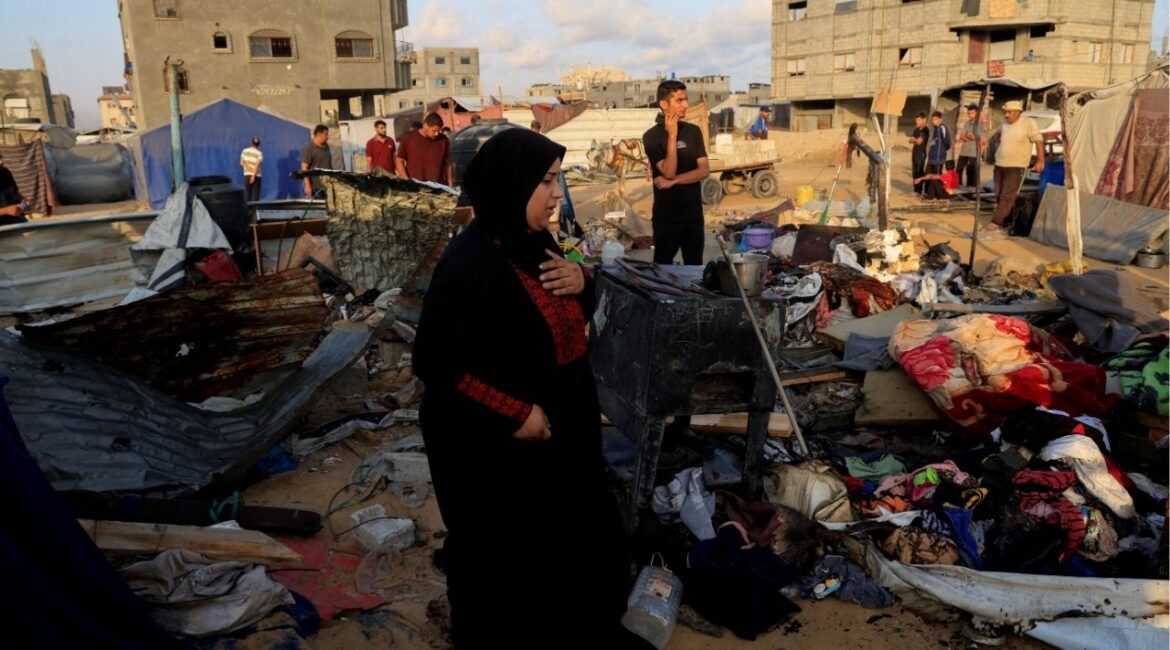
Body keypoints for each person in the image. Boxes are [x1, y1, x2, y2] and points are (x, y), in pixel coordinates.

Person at [413, 129, 639, 649]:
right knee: (507, 568)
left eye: (556, 180)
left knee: (579, 548)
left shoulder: (533, 241)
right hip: (497, 453)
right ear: (512, 186)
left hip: (562, 439)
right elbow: (436, 363)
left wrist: (585, 283)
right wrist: (514, 415)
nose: (557, 194)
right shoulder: (470, 265)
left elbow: (562, 309)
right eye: (547, 182)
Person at [642, 79, 709, 265]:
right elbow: (668, 171)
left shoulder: (693, 132)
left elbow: (704, 170)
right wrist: (672, 135)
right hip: (666, 219)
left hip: (693, 217)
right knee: (662, 269)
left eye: (686, 99)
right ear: (664, 104)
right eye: (680, 100)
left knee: (695, 270)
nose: (686, 105)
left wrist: (674, 181)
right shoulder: (651, 137)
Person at [986, 100, 1044, 233]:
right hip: (1000, 164)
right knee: (999, 194)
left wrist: (1040, 160)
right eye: (1005, 112)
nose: (1006, 115)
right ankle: (1005, 221)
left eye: (1009, 112)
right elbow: (998, 134)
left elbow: (1039, 141)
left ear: (1018, 112)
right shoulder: (1004, 124)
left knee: (1008, 195)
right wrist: (998, 146)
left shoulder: (1028, 123)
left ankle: (996, 222)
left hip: (1016, 165)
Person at [396, 113, 453, 185]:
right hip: (415, 187)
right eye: (434, 130)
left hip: (438, 187)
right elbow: (399, 160)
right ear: (426, 126)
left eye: (439, 131)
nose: (437, 134)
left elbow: (447, 164)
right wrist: (406, 181)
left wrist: (450, 184)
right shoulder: (409, 138)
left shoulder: (443, 140)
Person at [955, 104, 983, 188]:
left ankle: (971, 190)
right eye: (969, 113)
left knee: (970, 172)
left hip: (973, 152)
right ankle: (958, 186)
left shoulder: (979, 124)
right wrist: (969, 136)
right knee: (958, 169)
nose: (970, 115)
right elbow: (961, 136)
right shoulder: (967, 123)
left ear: (977, 113)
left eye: (972, 113)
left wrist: (967, 136)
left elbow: (975, 137)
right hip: (964, 151)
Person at [300, 124, 332, 197]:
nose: (328, 137)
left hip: (328, 186)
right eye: (326, 134)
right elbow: (304, 168)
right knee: (319, 207)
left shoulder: (327, 146)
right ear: (319, 134)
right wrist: (307, 186)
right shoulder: (309, 148)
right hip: (316, 187)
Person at [0, 153, 28, 225]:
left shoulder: (5, 172)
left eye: (0, 157)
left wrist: (23, 203)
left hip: (18, 223)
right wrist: (4, 211)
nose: (1, 162)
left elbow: (16, 194)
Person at [909, 113, 929, 194]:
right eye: (916, 120)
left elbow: (919, 142)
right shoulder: (916, 129)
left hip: (921, 153)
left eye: (918, 120)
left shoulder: (925, 130)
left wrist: (915, 140)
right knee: (914, 172)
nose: (916, 122)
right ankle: (915, 189)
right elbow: (910, 140)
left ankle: (919, 190)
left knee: (919, 171)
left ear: (923, 120)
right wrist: (915, 140)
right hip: (914, 152)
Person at [239, 137, 263, 202]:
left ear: (251, 143)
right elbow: (257, 165)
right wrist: (253, 175)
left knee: (247, 194)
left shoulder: (245, 151)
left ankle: (247, 210)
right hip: (256, 176)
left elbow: (241, 163)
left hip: (247, 175)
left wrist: (249, 169)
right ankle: (254, 211)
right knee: (255, 196)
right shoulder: (259, 153)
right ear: (259, 144)